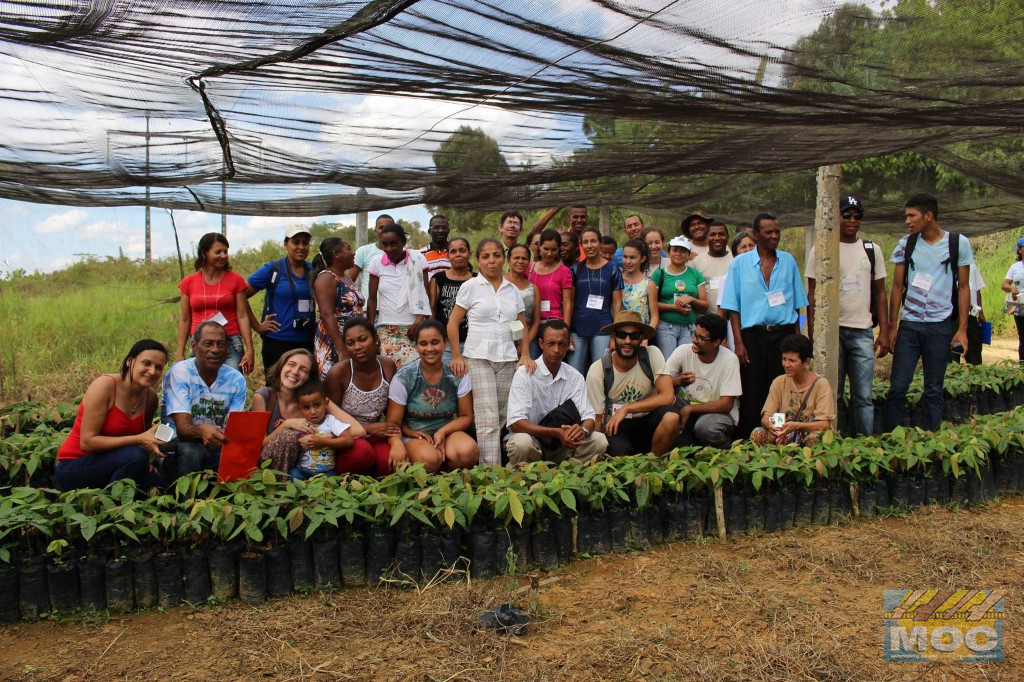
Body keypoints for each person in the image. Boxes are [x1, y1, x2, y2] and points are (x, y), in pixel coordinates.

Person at [883, 194, 974, 432]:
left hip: (940, 326)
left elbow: (964, 287)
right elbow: (896, 287)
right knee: (898, 387)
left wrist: (962, 329)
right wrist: (893, 326)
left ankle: (930, 440)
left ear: (928, 216)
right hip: (910, 325)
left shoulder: (958, 243)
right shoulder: (906, 244)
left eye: (911, 216)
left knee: (934, 388)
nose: (907, 221)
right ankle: (889, 439)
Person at [805, 195, 889, 437]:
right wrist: (813, 334)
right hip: (832, 334)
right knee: (833, 394)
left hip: (862, 331)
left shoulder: (872, 250)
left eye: (857, 216)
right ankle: (834, 441)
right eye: (847, 215)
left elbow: (881, 293)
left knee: (863, 396)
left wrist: (884, 331)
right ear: (836, 217)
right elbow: (812, 295)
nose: (853, 220)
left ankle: (864, 444)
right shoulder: (821, 250)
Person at [448, 239, 536, 467]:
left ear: (503, 259)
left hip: (507, 358)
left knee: (504, 416)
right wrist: (457, 356)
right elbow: (453, 323)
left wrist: (524, 353)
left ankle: (508, 468)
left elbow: (521, 324)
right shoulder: (470, 286)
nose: (492, 261)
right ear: (478, 261)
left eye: (496, 255)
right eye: (486, 256)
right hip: (478, 358)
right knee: (487, 418)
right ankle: (491, 477)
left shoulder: (512, 290)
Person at [720, 213, 808, 439]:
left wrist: (797, 343)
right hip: (753, 336)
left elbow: (797, 305)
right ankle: (750, 439)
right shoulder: (739, 264)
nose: (774, 236)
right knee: (752, 388)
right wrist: (738, 343)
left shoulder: (788, 261)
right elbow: (733, 307)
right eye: (768, 232)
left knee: (779, 387)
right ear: (756, 234)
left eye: (777, 231)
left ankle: (777, 435)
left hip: (783, 335)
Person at [55, 339, 169, 491]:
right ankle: (110, 509)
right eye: (146, 363)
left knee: (164, 488)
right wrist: (138, 440)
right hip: (75, 466)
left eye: (158, 367)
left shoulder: (151, 398)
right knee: (135, 455)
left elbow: (144, 440)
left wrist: (148, 461)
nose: (152, 371)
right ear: (130, 361)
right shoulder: (105, 386)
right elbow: (87, 442)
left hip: (119, 463)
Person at [254, 347, 369, 475]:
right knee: (287, 436)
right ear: (281, 366)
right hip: (267, 466)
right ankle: (276, 487)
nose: (295, 372)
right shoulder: (264, 396)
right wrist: (287, 424)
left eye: (303, 370)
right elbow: (257, 445)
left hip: (305, 466)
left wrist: (321, 438)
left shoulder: (314, 401)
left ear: (309, 378)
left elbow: (358, 430)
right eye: (291, 365)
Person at [506, 320, 608, 465]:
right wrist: (555, 432)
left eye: (561, 344)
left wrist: (582, 430)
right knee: (521, 443)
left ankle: (568, 477)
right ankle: (529, 475)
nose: (556, 349)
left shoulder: (575, 376)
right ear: (541, 344)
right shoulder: (525, 374)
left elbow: (589, 416)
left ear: (568, 345)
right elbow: (515, 422)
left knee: (599, 440)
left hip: (564, 443)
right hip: (533, 442)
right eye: (551, 343)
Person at [386, 321, 479, 473]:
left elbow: (466, 416)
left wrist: (442, 432)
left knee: (468, 451)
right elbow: (393, 423)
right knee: (428, 459)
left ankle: (446, 478)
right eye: (423, 344)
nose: (429, 349)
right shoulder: (404, 377)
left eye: (435, 342)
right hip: (416, 436)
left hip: (448, 433)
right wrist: (397, 443)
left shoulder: (456, 374)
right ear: (416, 346)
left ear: (445, 343)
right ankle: (428, 477)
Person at [585, 311, 680, 456]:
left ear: (641, 338)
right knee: (620, 451)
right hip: (617, 426)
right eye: (622, 335)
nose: (627, 341)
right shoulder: (598, 370)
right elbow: (598, 419)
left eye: (634, 336)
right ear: (614, 337)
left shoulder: (652, 354)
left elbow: (668, 396)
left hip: (648, 420)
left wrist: (627, 408)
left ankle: (653, 464)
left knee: (672, 417)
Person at [161, 322, 248, 480]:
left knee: (245, 453)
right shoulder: (180, 373)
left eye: (221, 344)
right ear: (194, 347)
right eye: (208, 343)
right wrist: (202, 431)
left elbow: (233, 427)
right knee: (193, 452)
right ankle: (186, 503)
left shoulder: (236, 379)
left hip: (216, 442)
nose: (215, 350)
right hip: (175, 443)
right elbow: (183, 429)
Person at [324, 317, 399, 476]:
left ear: (376, 340)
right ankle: (344, 479)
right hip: (346, 437)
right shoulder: (339, 373)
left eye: (362, 339)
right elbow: (329, 420)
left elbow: (395, 408)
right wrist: (368, 428)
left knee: (390, 461)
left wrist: (396, 440)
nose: (357, 347)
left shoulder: (387, 366)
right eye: (350, 343)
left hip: (377, 435)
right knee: (363, 453)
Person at [175, 233, 253, 373]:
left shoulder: (236, 280)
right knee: (198, 389)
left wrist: (249, 350)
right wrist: (180, 352)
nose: (223, 255)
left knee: (229, 387)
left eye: (225, 252)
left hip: (229, 341)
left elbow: (242, 316)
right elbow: (185, 319)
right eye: (218, 252)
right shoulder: (189, 282)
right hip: (200, 343)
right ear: (204, 253)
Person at [664, 314, 741, 449]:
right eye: (694, 334)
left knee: (705, 428)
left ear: (716, 342)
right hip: (690, 406)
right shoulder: (683, 351)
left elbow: (726, 405)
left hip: (719, 413)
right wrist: (679, 381)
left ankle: (725, 451)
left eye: (701, 338)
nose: (694, 340)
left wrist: (690, 408)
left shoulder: (729, 359)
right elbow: (661, 382)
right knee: (663, 405)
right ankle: (688, 447)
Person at [245, 226, 315, 373]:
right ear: (286, 244)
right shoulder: (273, 269)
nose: (301, 247)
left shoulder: (314, 270)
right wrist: (257, 326)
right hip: (277, 341)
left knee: (304, 387)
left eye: (305, 242)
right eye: (296, 242)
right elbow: (239, 295)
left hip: (307, 341)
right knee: (275, 388)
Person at [366, 223, 430, 369]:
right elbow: (372, 298)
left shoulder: (418, 259)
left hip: (413, 329)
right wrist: (370, 330)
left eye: (394, 244)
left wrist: (420, 320)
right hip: (386, 330)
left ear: (404, 242)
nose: (389, 249)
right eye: (385, 244)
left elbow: (424, 292)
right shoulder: (377, 263)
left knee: (414, 373)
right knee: (388, 372)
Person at [750, 334, 835, 446]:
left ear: (806, 362)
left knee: (816, 438)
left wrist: (797, 426)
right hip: (784, 434)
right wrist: (768, 423)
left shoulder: (821, 384)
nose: (786, 364)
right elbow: (766, 415)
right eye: (784, 359)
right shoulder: (779, 382)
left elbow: (824, 424)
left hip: (808, 434)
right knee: (757, 433)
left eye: (792, 361)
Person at [568, 226, 623, 374]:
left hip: (603, 328)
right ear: (581, 245)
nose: (590, 245)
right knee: (574, 372)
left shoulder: (612, 269)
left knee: (602, 373)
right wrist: (567, 330)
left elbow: (618, 303)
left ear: (600, 243)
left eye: (593, 241)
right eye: (585, 242)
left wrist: (614, 333)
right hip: (577, 329)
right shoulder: (575, 270)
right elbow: (570, 302)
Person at [312, 237, 364, 378]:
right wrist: (341, 348)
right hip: (335, 342)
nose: (353, 253)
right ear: (336, 254)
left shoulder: (346, 278)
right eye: (348, 248)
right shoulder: (327, 278)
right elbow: (326, 314)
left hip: (351, 342)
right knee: (334, 385)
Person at [648, 236, 707, 359]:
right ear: (668, 252)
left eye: (683, 251)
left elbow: (704, 306)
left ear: (688, 254)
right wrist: (674, 308)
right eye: (675, 250)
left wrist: (692, 300)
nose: (678, 254)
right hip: (666, 327)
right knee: (668, 364)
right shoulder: (659, 274)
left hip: (689, 327)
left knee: (686, 363)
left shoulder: (696, 274)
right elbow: (652, 304)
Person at [288, 381, 354, 480]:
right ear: (299, 408)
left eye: (317, 405)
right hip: (302, 471)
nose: (313, 412)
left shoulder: (331, 422)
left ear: (326, 403)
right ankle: (300, 495)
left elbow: (348, 440)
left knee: (331, 482)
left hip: (326, 472)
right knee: (293, 474)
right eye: (306, 408)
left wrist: (323, 441)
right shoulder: (300, 424)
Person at [429, 237, 475, 364]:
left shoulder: (478, 279)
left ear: (470, 254)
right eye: (453, 251)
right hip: (446, 345)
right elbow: (432, 311)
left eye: (462, 250)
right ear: (448, 256)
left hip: (474, 345)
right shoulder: (438, 279)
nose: (458, 254)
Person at [528, 229, 574, 338]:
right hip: (531, 323)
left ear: (559, 249)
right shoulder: (529, 268)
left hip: (554, 323)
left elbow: (568, 303)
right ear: (539, 246)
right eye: (546, 249)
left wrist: (566, 330)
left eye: (553, 250)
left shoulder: (564, 271)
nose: (549, 253)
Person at [349, 213, 396, 299]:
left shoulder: (402, 254)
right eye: (381, 227)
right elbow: (349, 282)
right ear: (375, 231)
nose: (385, 230)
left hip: (394, 309)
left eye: (389, 227)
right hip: (369, 309)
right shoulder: (363, 251)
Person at [504, 244, 541, 352]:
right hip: (502, 341)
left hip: (527, 342)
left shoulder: (533, 289)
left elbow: (535, 322)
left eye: (524, 258)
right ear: (508, 260)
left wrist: (524, 346)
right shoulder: (498, 283)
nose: (520, 261)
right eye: (516, 258)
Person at [691, 221, 732, 314]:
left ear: (728, 238)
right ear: (707, 238)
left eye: (721, 234)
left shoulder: (735, 261)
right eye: (713, 235)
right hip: (705, 320)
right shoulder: (696, 262)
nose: (717, 238)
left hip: (731, 320)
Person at [951, 263, 985, 365]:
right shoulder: (947, 263)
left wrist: (981, 312)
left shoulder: (973, 265)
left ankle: (975, 377)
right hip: (954, 316)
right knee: (954, 351)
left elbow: (977, 289)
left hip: (972, 315)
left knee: (974, 351)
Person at [620, 238, 654, 325]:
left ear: (642, 259)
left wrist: (647, 337)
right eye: (625, 257)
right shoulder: (617, 280)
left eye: (632, 257)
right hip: (620, 334)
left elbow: (654, 317)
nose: (628, 261)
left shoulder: (649, 284)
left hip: (640, 335)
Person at [1001, 236, 1024, 363]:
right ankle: (1022, 368)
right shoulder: (1015, 267)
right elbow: (1004, 285)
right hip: (1020, 305)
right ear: (1020, 250)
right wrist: (1012, 289)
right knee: (1023, 337)